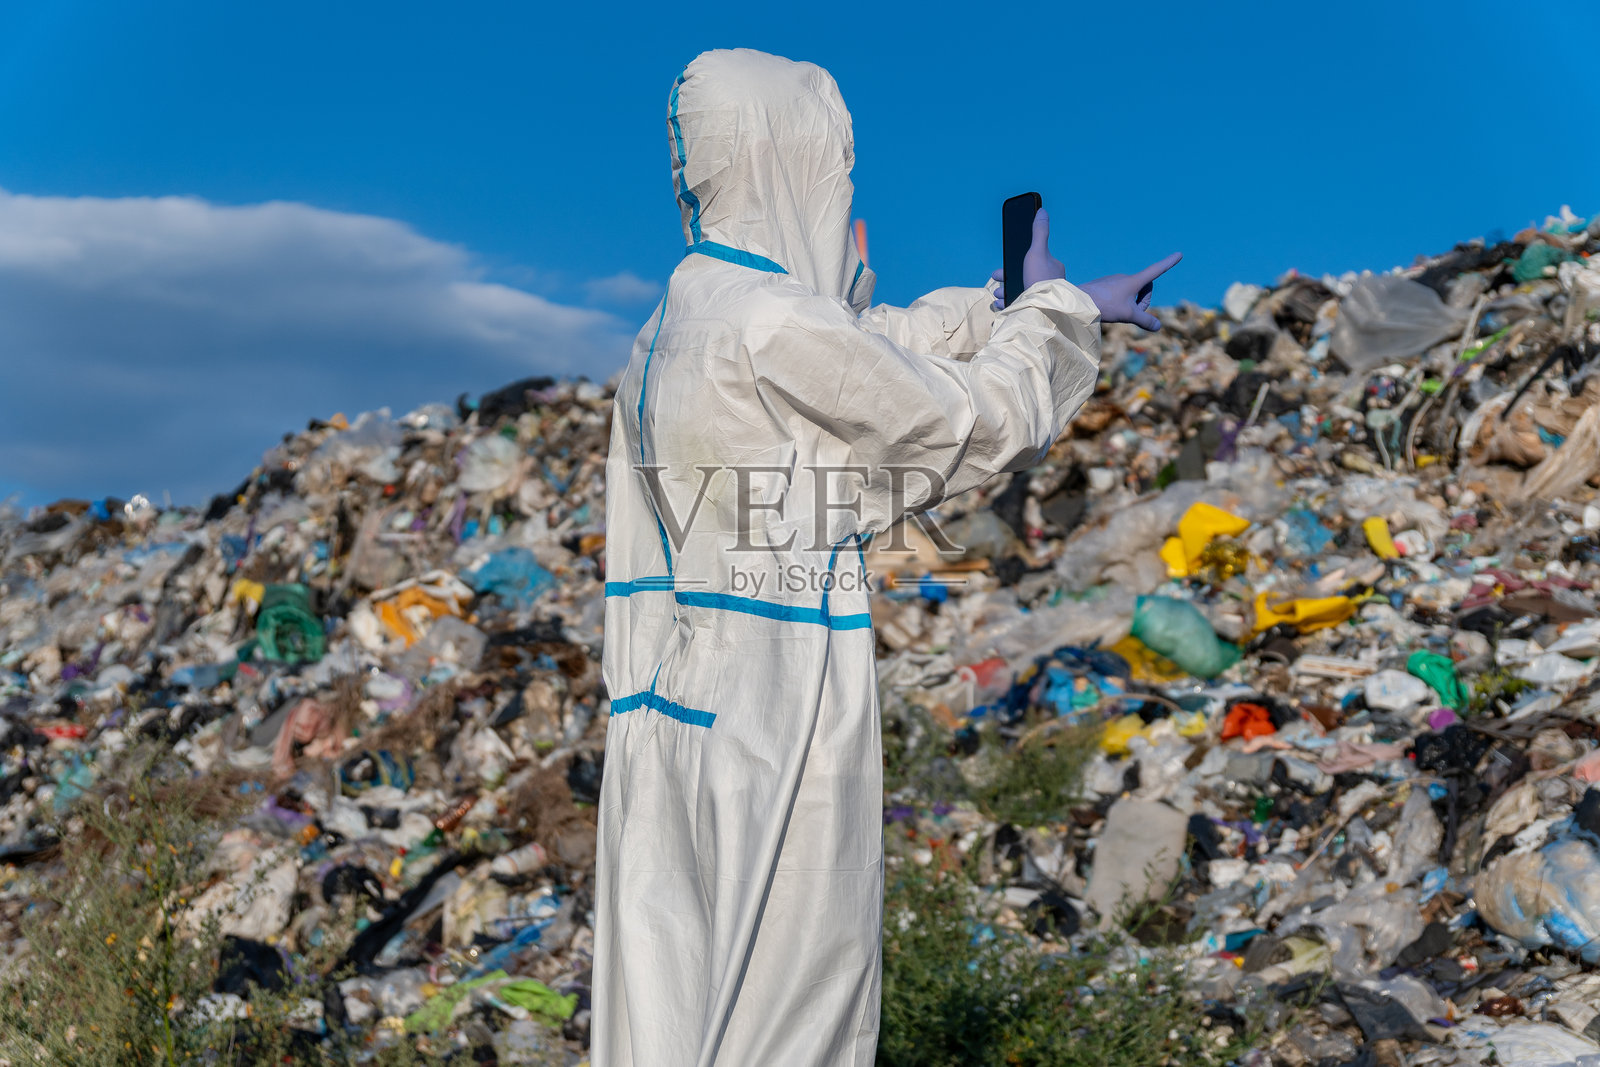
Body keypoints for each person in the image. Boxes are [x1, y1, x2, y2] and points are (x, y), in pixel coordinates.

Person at [593, 47, 1179, 1067]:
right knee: (790, 1008)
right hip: (777, 702)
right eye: (838, 168)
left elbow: (859, 352)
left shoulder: (676, 323)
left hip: (668, 711)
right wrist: (1053, 318)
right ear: (794, 160)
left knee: (673, 1011)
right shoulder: (770, 322)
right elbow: (964, 422)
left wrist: (1001, 301)